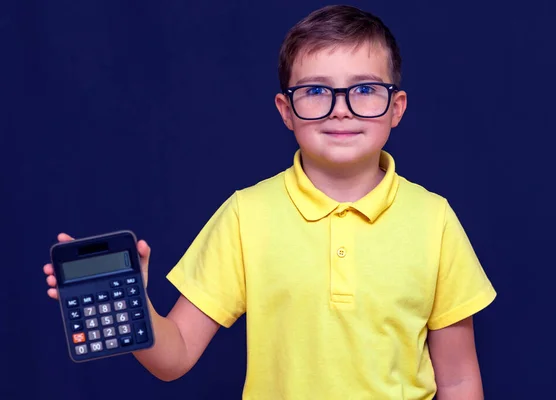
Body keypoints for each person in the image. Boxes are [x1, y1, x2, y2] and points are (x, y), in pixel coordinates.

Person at [43, 5, 496, 399]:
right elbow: (174, 356)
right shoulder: (247, 215)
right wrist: (134, 306)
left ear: (396, 108)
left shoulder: (433, 219)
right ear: (286, 110)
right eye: (317, 90)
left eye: (364, 89)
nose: (341, 108)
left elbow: (457, 381)